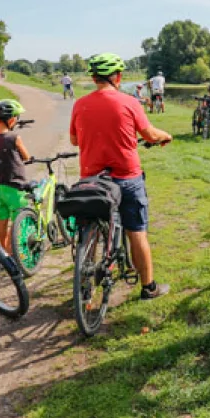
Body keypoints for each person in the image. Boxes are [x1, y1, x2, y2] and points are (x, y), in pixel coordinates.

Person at [69, 53, 173, 300]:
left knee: (92, 228)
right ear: (118, 77)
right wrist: (166, 135)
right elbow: (148, 134)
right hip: (126, 177)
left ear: (93, 77)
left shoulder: (80, 104)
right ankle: (149, 287)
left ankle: (85, 279)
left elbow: (74, 139)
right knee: (136, 231)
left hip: (93, 179)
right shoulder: (129, 102)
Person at [0, 99, 31, 254]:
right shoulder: (14, 137)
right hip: (14, 184)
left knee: (2, 218)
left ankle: (3, 249)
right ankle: (12, 251)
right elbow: (26, 156)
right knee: (18, 217)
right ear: (10, 120)